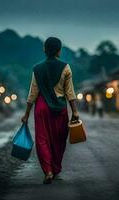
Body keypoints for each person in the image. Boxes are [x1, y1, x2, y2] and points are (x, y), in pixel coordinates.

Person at [21, 37, 79, 184]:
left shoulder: (37, 69)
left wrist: (27, 113)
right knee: (59, 139)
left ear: (44, 50)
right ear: (59, 51)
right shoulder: (66, 67)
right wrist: (75, 111)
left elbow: (32, 93)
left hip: (42, 107)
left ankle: (48, 171)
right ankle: (55, 168)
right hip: (60, 108)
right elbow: (69, 92)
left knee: (42, 139)